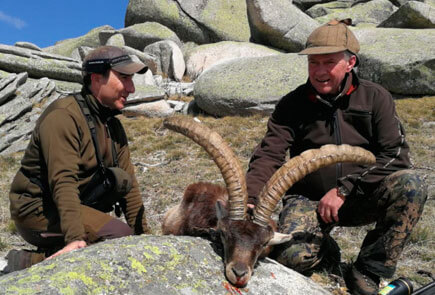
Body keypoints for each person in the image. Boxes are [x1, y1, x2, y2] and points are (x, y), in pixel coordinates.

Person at [245, 19, 427, 295]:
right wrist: (250, 199)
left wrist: (344, 189)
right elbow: (269, 155)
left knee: (411, 186)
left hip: (362, 193)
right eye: (313, 63)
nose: (319, 72)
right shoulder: (291, 105)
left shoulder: (376, 98)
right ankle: (326, 251)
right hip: (309, 199)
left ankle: (368, 269)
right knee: (290, 258)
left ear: (350, 63)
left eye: (328, 62)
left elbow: (395, 156)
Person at [4, 46, 150, 273]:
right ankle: (29, 261)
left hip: (72, 203)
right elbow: (63, 181)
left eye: (131, 79)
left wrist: (146, 240)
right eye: (123, 78)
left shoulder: (112, 123)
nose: (131, 88)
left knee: (120, 181)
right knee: (118, 237)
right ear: (96, 78)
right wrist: (75, 239)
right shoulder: (64, 116)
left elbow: (130, 187)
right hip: (36, 210)